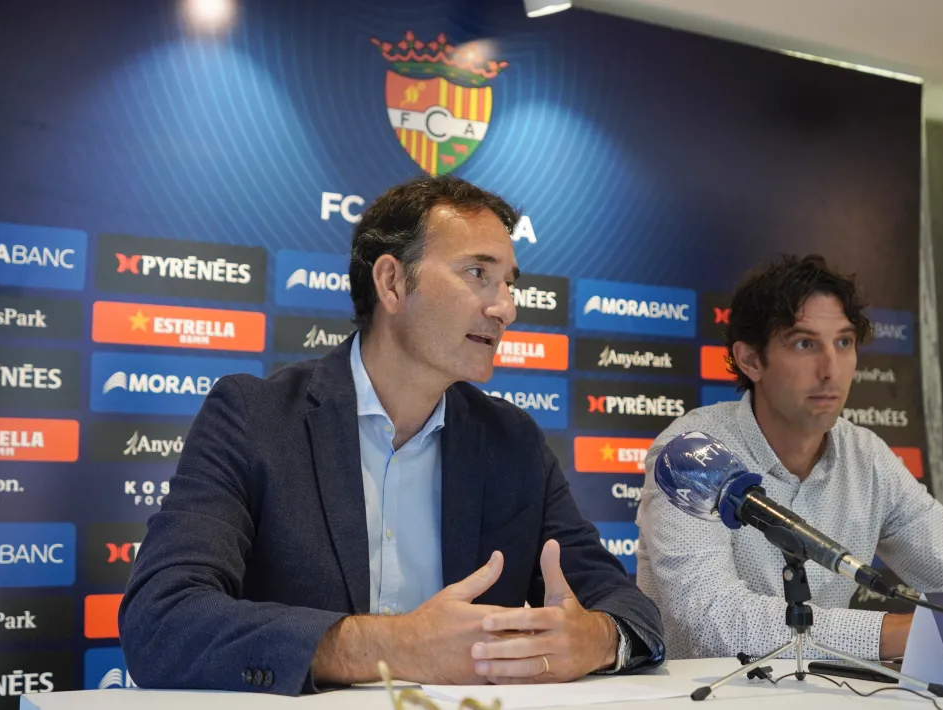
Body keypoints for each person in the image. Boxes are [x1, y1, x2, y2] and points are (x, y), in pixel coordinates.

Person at [119, 175, 664, 696]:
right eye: (478, 272)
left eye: (509, 283)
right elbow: (161, 619)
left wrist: (595, 639)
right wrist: (393, 647)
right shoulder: (254, 417)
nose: (505, 307)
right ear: (392, 283)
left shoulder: (512, 440)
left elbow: (625, 606)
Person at [635, 254, 943, 662]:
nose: (830, 369)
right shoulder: (692, 456)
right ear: (751, 360)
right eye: (805, 344)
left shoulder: (866, 456)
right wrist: (914, 631)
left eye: (844, 343)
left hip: (826, 692)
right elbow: (711, 622)